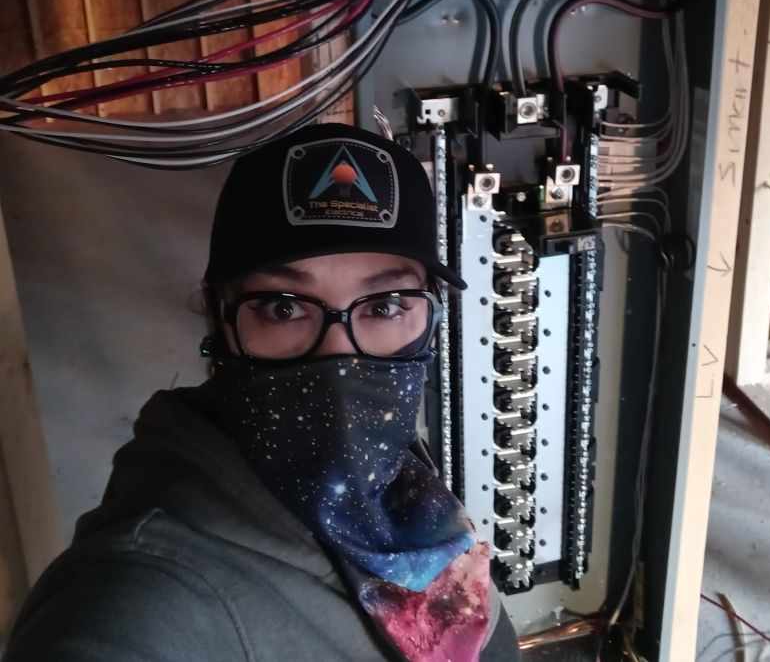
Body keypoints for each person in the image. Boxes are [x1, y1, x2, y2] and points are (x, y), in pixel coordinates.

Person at [4, 123, 521, 661]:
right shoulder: (139, 594)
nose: (340, 358)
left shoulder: (407, 493)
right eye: (284, 307)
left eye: (384, 306)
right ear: (219, 319)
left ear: (429, 316)